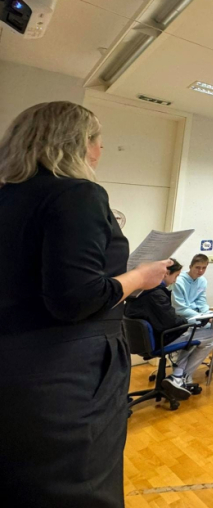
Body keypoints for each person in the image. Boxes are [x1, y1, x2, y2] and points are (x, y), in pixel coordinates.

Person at [0, 101, 171, 507]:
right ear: (75, 144)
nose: (100, 150)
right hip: (68, 368)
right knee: (81, 484)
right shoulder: (78, 193)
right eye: (97, 140)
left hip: (13, 363)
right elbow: (75, 299)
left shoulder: (9, 198)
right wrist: (140, 277)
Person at [125, 259, 213, 399]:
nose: (176, 280)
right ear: (166, 273)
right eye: (175, 276)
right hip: (161, 339)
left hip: (144, 341)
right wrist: (194, 321)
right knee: (212, 335)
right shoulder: (156, 294)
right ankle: (181, 377)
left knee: (191, 335)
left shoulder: (136, 292)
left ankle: (178, 374)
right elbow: (171, 322)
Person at [172, 254, 211, 321]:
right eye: (197, 267)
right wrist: (202, 317)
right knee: (208, 325)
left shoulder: (202, 281)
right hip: (183, 316)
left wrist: (209, 315)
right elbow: (180, 309)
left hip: (197, 314)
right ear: (190, 267)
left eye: (204, 268)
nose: (201, 271)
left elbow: (201, 303)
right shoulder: (178, 281)